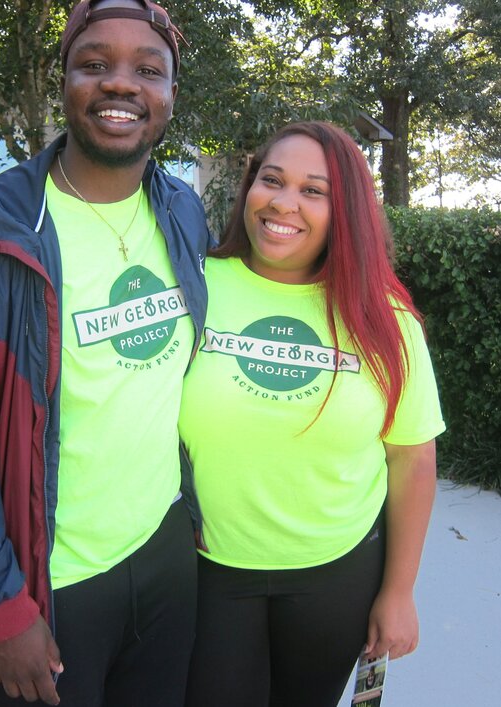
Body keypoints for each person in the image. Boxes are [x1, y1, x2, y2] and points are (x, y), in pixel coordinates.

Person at [0, 2, 210, 706]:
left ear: (168, 96)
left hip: (165, 558)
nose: (120, 84)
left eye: (147, 70)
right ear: (63, 81)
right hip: (49, 585)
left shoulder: (181, 212)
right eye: (94, 64)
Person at [178, 121, 445, 707]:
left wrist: (399, 593)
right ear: (248, 186)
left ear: (344, 210)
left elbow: (412, 459)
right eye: (271, 180)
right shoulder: (193, 286)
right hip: (208, 569)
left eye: (313, 191)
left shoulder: (385, 318)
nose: (283, 202)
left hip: (337, 573)